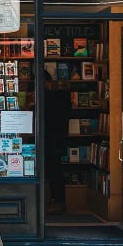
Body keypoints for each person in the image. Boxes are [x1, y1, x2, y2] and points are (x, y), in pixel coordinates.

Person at [44, 70, 71, 214]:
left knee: (53, 171)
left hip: (51, 140)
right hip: (58, 140)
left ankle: (56, 202)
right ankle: (57, 201)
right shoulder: (62, 98)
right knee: (55, 170)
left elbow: (48, 116)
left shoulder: (50, 98)